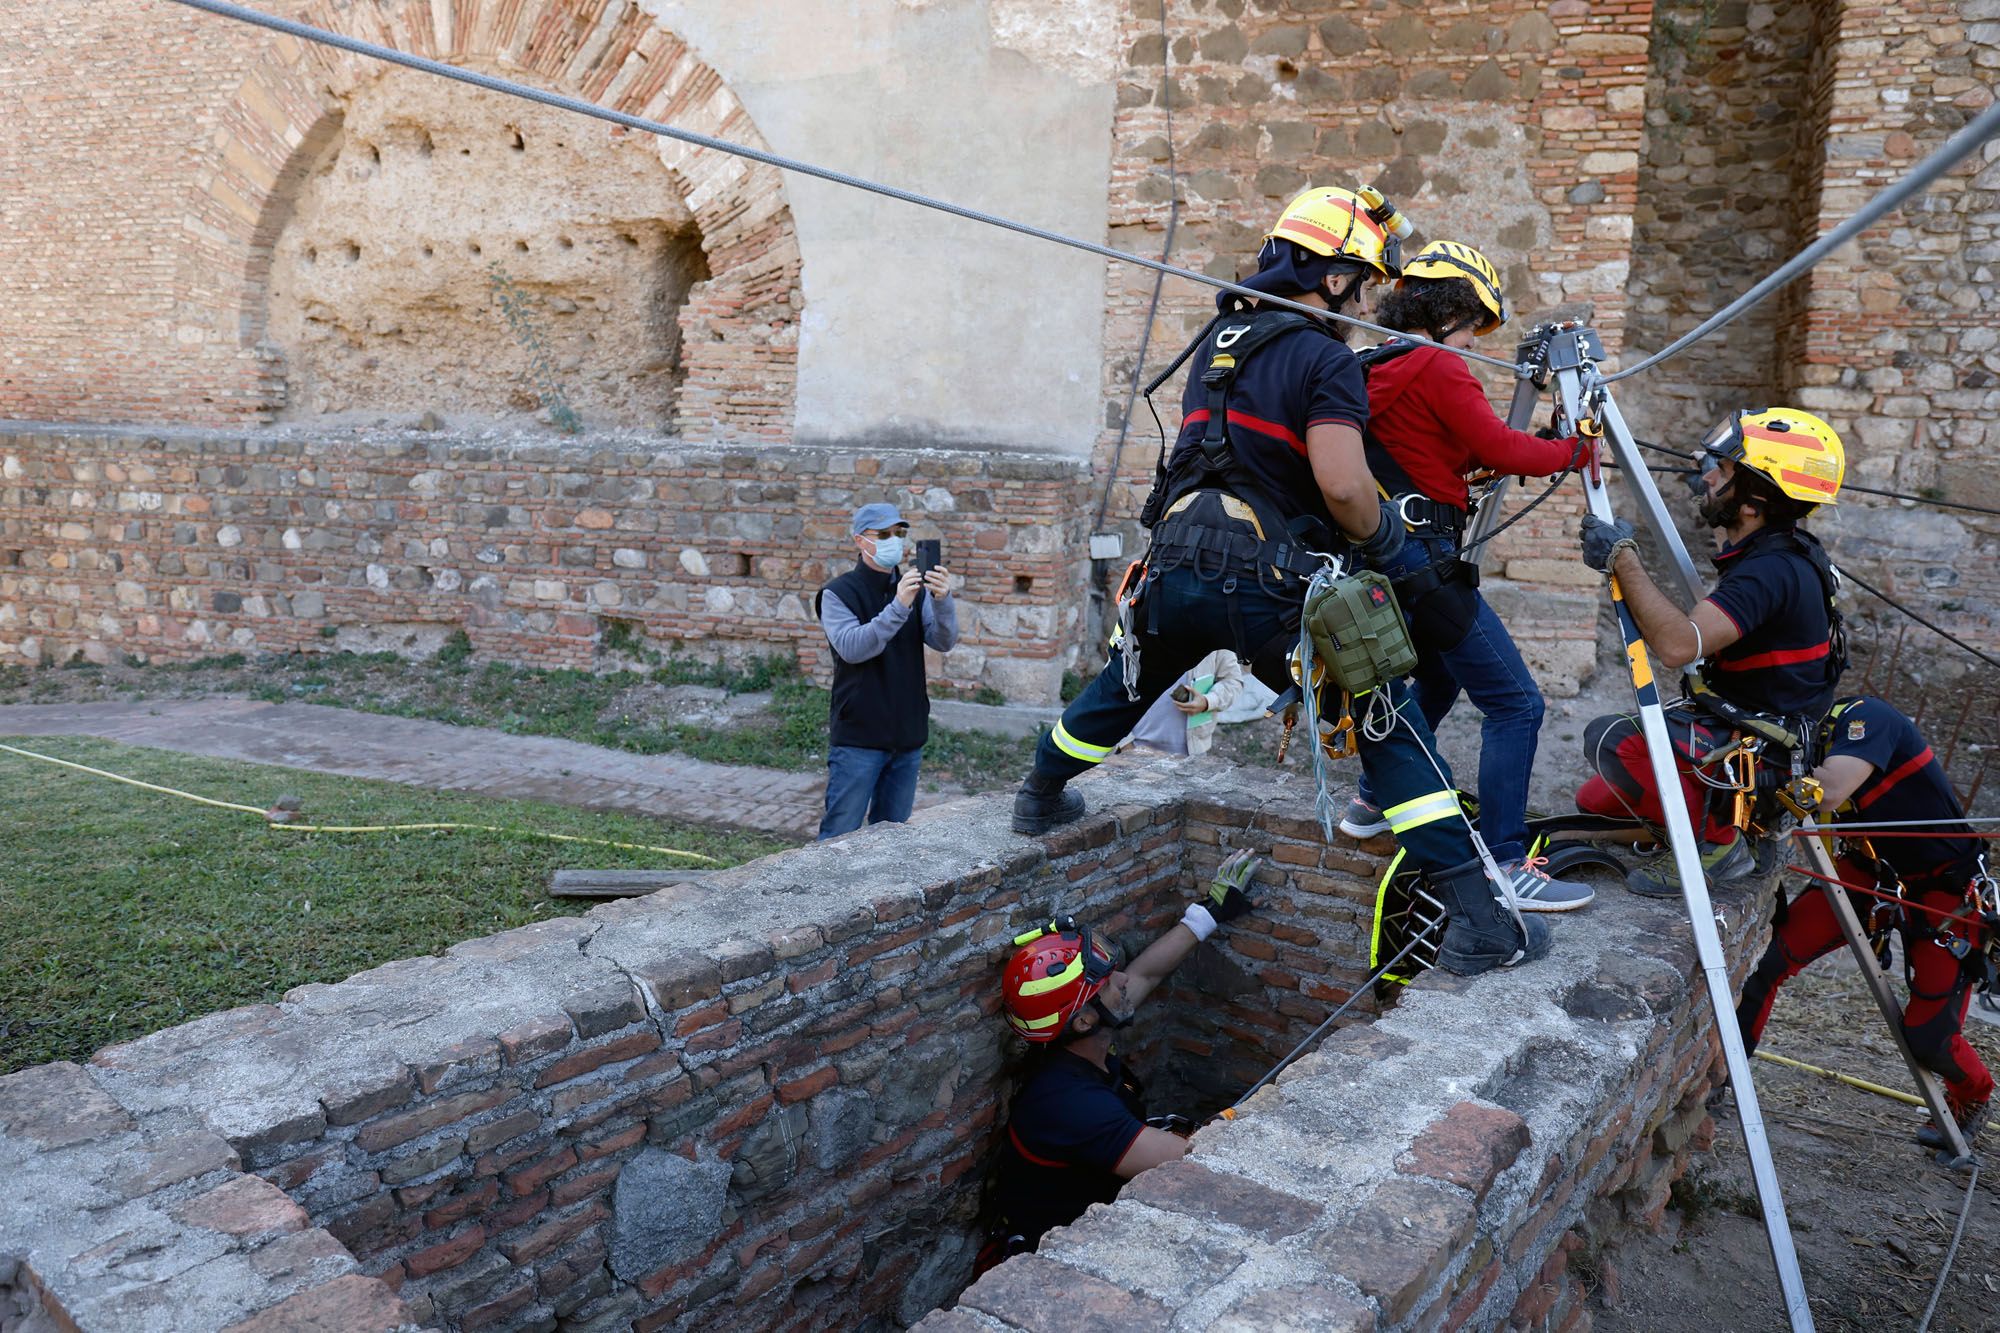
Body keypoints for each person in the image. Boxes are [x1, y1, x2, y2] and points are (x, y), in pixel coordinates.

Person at [1010, 184, 1550, 976]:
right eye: (1359, 284)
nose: (1363, 300)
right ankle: (1478, 918)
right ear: (1331, 279)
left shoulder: (1216, 343)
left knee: (1121, 687)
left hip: (1172, 566)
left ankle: (1040, 792)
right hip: (1268, 586)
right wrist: (1391, 542)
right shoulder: (1323, 356)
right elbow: (1340, 484)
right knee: (1387, 719)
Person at [1335, 240, 1593, 912]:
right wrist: (1576, 447)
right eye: (1474, 323)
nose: (1474, 338)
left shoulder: (1371, 366)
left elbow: (1411, 452)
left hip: (1381, 562)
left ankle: (1370, 797)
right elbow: (1502, 445)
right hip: (1425, 562)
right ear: (1451, 308)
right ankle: (1507, 861)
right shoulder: (1438, 363)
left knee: (1439, 673)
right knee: (1516, 702)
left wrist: (1455, 475)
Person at [1575, 407, 1847, 897]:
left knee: (1612, 740)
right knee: (1597, 798)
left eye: (1720, 473)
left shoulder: (1768, 572)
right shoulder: (1785, 550)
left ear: (1751, 502)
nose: (1706, 478)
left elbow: (1678, 645)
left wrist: (1623, 559)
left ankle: (1718, 847)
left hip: (1759, 748)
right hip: (1766, 738)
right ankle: (1740, 822)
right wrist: (1718, 485)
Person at [1734, 696, 1994, 1150]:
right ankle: (1723, 1079)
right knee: (1765, 965)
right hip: (1868, 870)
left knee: (1928, 1038)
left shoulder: (1867, 718)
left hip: (1944, 889)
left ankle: (1974, 1093)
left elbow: (1829, 792)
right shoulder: (1796, 744)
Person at [989, 851, 1259, 1253]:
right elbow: (1199, 1159)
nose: (1122, 979)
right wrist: (1257, 1114)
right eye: (1108, 982)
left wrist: (1208, 914)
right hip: (1062, 1251)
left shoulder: (1077, 1049)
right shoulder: (1073, 1104)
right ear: (1084, 1020)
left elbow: (1147, 973)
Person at [815, 501, 957, 838]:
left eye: (899, 533)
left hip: (907, 733)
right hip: (859, 736)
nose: (894, 540)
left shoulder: (915, 589)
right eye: (883, 534)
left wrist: (942, 599)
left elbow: (943, 640)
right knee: (839, 836)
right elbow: (852, 648)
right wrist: (898, 606)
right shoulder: (837, 593)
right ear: (860, 541)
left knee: (892, 839)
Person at [1122, 649, 1244, 757]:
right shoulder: (1138, 625)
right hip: (1136, 748)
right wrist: (1125, 744)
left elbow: (1233, 681)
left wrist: (1207, 701)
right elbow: (1110, 684)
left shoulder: (1217, 631)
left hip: (1190, 752)